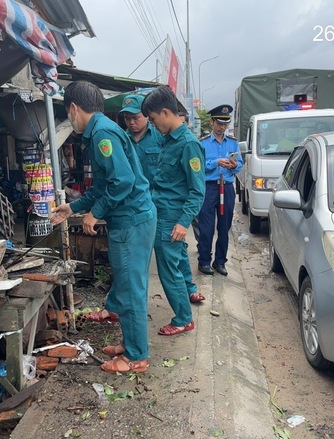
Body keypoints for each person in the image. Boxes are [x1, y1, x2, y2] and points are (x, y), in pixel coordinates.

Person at [50, 81, 156, 374]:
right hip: (135, 218)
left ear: (73, 108)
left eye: (67, 114)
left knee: (132, 289)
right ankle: (132, 344)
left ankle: (136, 357)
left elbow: (122, 182)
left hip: (131, 221)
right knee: (128, 285)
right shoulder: (102, 131)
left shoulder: (102, 134)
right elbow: (103, 185)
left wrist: (94, 214)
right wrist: (73, 207)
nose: (69, 121)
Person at [141, 86, 206, 336]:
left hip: (172, 218)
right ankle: (183, 312)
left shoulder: (189, 145)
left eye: (154, 119)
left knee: (169, 270)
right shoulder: (168, 140)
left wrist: (183, 222)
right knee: (174, 264)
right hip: (162, 213)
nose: (154, 125)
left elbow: (197, 190)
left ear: (166, 112)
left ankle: (183, 319)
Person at [196, 105, 243, 276]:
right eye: (219, 123)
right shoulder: (202, 143)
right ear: (212, 122)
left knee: (224, 227)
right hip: (209, 188)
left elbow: (240, 165)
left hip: (227, 188)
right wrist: (216, 162)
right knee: (206, 227)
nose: (222, 127)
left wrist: (234, 164)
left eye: (225, 124)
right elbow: (198, 166)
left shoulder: (233, 142)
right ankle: (204, 261)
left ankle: (220, 261)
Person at [120, 93, 162, 184]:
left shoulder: (160, 136)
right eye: (127, 118)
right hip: (131, 195)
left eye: (135, 118)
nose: (131, 122)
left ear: (146, 116)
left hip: (155, 194)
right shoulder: (122, 140)